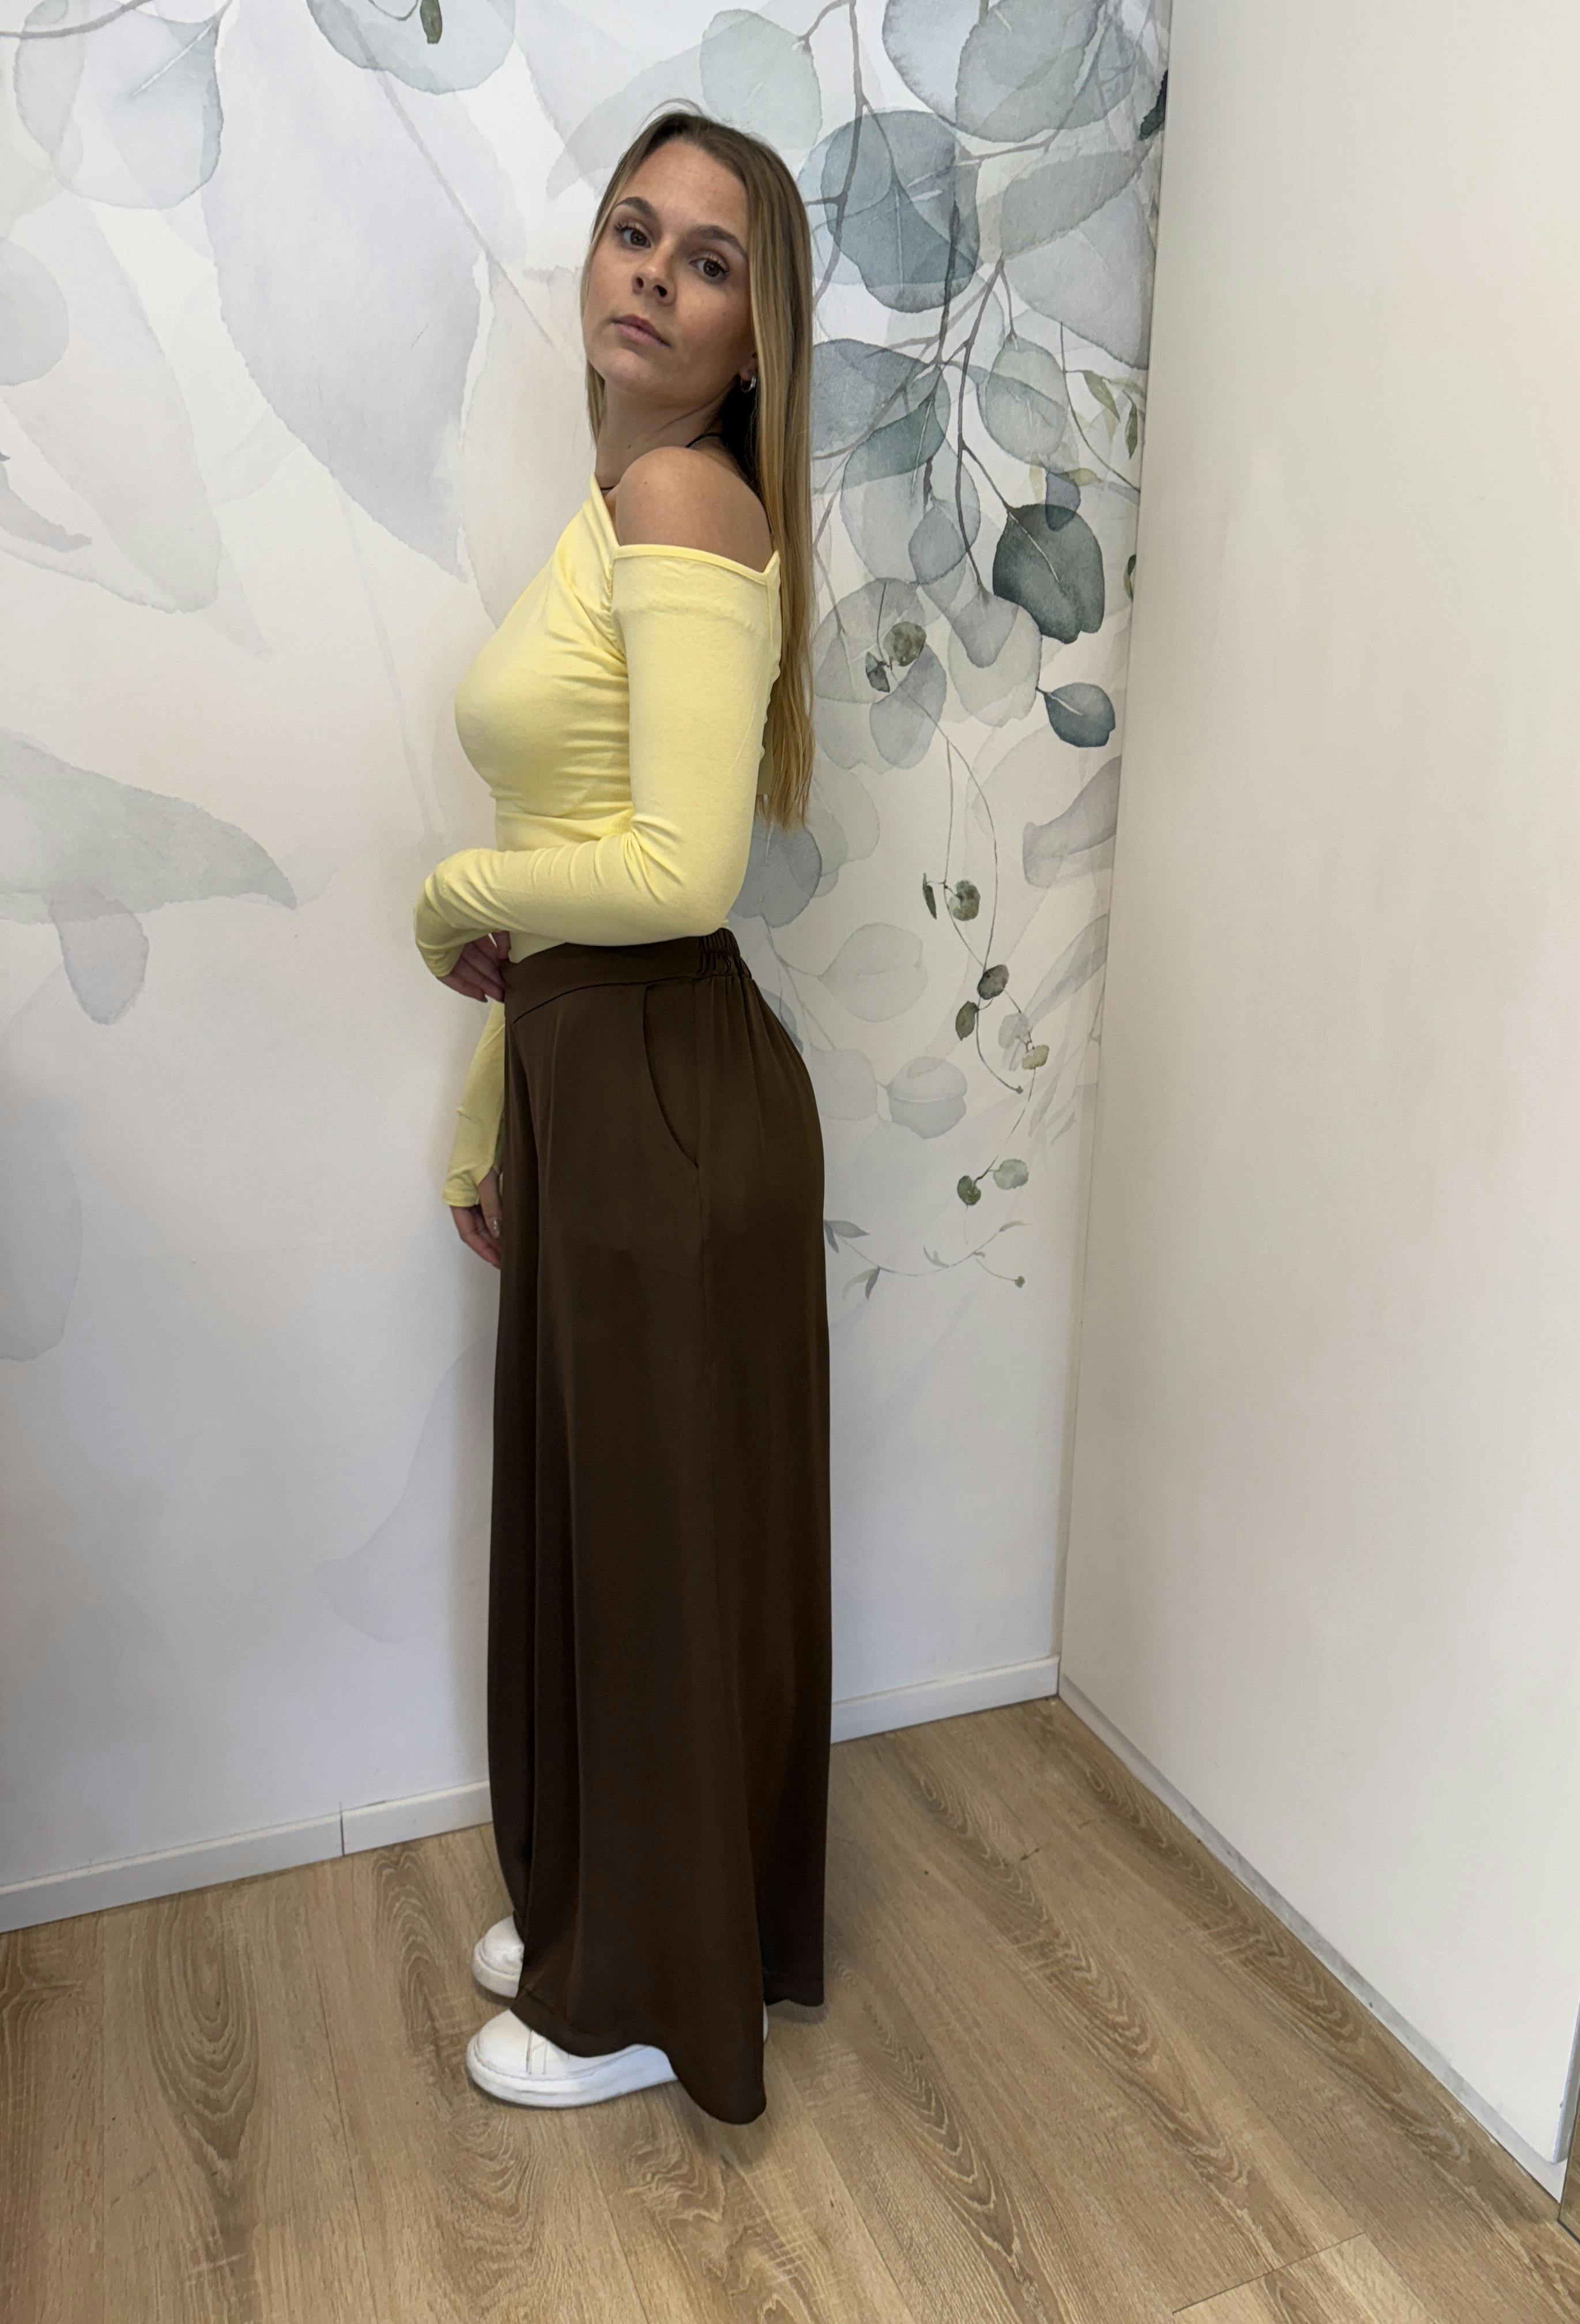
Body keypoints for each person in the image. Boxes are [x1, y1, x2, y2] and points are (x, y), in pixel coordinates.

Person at [410, 108, 828, 2123]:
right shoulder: (619, 502)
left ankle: (646, 1997)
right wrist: (498, 1117)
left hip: (664, 1087)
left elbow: (676, 873)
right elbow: (576, 852)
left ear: (755, 336)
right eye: (631, 230)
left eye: (710, 258)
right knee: (614, 1537)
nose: (653, 273)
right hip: (599, 1078)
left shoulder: (681, 494)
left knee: (652, 1560)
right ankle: (617, 1904)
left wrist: (450, 898)